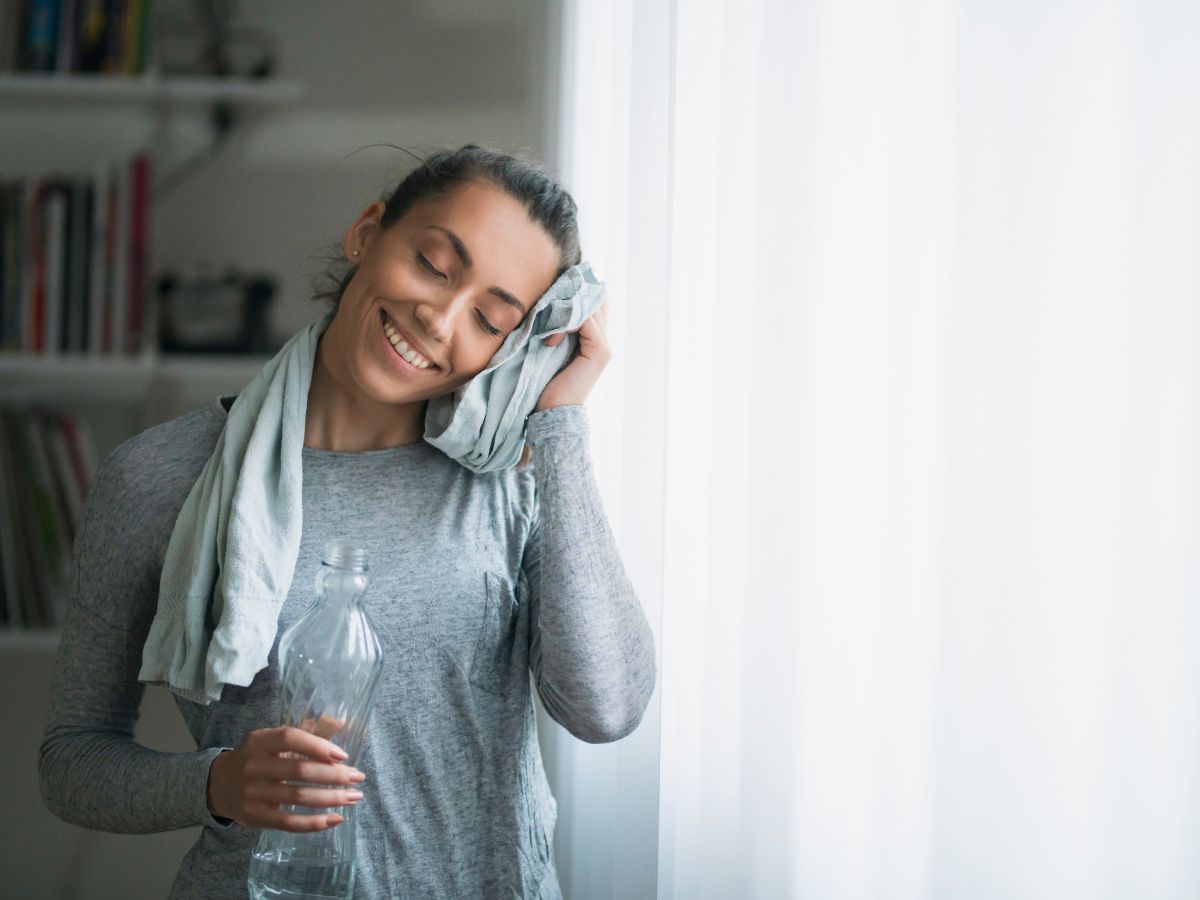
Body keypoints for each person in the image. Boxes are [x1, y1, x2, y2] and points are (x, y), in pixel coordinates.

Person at [39, 145, 657, 900]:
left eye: (491, 318)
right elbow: (72, 761)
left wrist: (559, 428)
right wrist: (218, 783)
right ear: (367, 232)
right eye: (433, 264)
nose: (440, 317)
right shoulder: (160, 476)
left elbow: (606, 708)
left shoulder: (516, 484)